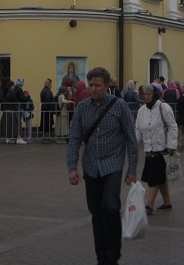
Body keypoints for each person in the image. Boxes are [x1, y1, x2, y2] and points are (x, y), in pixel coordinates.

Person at [66, 67, 138, 265]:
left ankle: (113, 256)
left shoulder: (119, 106)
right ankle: (102, 258)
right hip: (91, 165)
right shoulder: (82, 107)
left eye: (98, 85)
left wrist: (132, 170)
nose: (93, 88)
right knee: (96, 212)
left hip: (112, 163)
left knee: (111, 206)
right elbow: (74, 139)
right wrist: (72, 168)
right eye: (91, 85)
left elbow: (132, 139)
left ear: (107, 86)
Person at [134, 83, 177, 214]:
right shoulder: (142, 111)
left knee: (154, 179)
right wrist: (134, 144)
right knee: (159, 177)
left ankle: (149, 205)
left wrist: (171, 144)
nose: (146, 97)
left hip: (162, 149)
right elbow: (138, 129)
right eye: (145, 94)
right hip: (149, 149)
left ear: (155, 95)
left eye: (149, 94)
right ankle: (167, 202)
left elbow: (172, 126)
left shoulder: (163, 108)